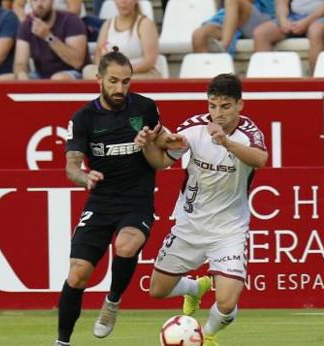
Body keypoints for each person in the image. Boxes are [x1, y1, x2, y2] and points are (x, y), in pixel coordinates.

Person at [55, 47, 185, 346]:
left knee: (127, 245)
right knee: (78, 275)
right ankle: (62, 341)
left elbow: (162, 151)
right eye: (113, 81)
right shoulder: (84, 118)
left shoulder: (145, 108)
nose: (120, 88)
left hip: (136, 200)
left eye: (126, 81)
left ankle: (112, 303)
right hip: (101, 201)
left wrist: (170, 142)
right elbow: (71, 165)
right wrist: (84, 177)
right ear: (98, 78)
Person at [138, 73, 269, 346]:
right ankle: (195, 288)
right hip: (190, 226)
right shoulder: (194, 128)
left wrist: (226, 142)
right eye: (212, 106)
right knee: (157, 290)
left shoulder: (249, 133)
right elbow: (161, 162)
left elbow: (261, 159)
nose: (217, 113)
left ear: (239, 105)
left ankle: (207, 334)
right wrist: (149, 144)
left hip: (229, 230)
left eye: (225, 106)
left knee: (227, 300)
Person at [0, 0, 87, 80]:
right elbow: (20, 62)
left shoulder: (71, 20)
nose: (39, 4)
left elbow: (77, 62)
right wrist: (22, 74)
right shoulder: (27, 24)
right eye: (35, 0)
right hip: (41, 75)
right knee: (2, 79)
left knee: (58, 79)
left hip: (73, 74)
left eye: (44, 0)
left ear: (52, 1)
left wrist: (48, 37)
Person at [253, 0, 324, 74]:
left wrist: (307, 21)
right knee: (261, 33)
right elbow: (281, 2)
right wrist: (283, 20)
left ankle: (318, 85)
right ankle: (265, 85)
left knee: (316, 31)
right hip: (294, 16)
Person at [82, 0, 160, 80]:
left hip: (137, 73)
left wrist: (122, 71)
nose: (123, 1)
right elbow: (98, 55)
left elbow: (149, 61)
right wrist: (108, 70)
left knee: (122, 80)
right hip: (111, 74)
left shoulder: (145, 24)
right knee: (88, 70)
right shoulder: (107, 24)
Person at [192, 0, 275, 55]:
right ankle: (209, 78)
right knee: (198, 35)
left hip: (264, 17)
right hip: (230, 16)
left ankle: (224, 47)